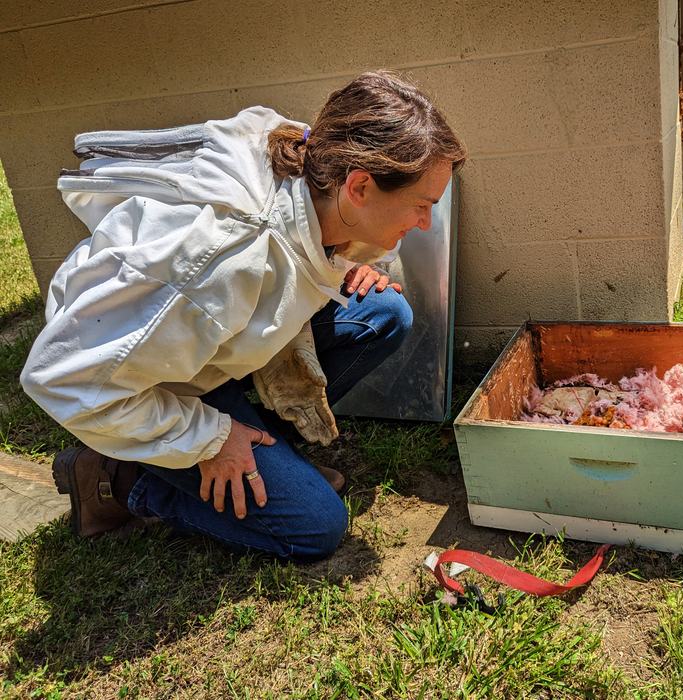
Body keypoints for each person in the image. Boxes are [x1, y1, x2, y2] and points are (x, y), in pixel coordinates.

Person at [20, 71, 466, 561]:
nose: (426, 222)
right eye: (421, 206)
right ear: (360, 187)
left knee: (383, 312)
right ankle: (114, 479)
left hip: (206, 343)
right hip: (153, 378)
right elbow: (61, 381)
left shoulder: (315, 162)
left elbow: (299, 248)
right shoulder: (221, 261)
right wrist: (213, 439)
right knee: (316, 527)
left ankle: (268, 449)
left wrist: (350, 261)